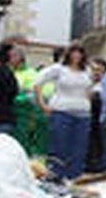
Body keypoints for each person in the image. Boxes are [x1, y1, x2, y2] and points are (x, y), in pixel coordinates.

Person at [35, 42, 94, 180]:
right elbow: (38, 83)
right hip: (62, 113)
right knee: (59, 148)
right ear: (69, 54)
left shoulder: (87, 71)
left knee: (79, 150)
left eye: (80, 52)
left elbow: (88, 89)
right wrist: (43, 105)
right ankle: (56, 177)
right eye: (74, 52)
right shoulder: (59, 69)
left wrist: (87, 103)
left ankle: (75, 178)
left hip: (83, 115)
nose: (77, 55)